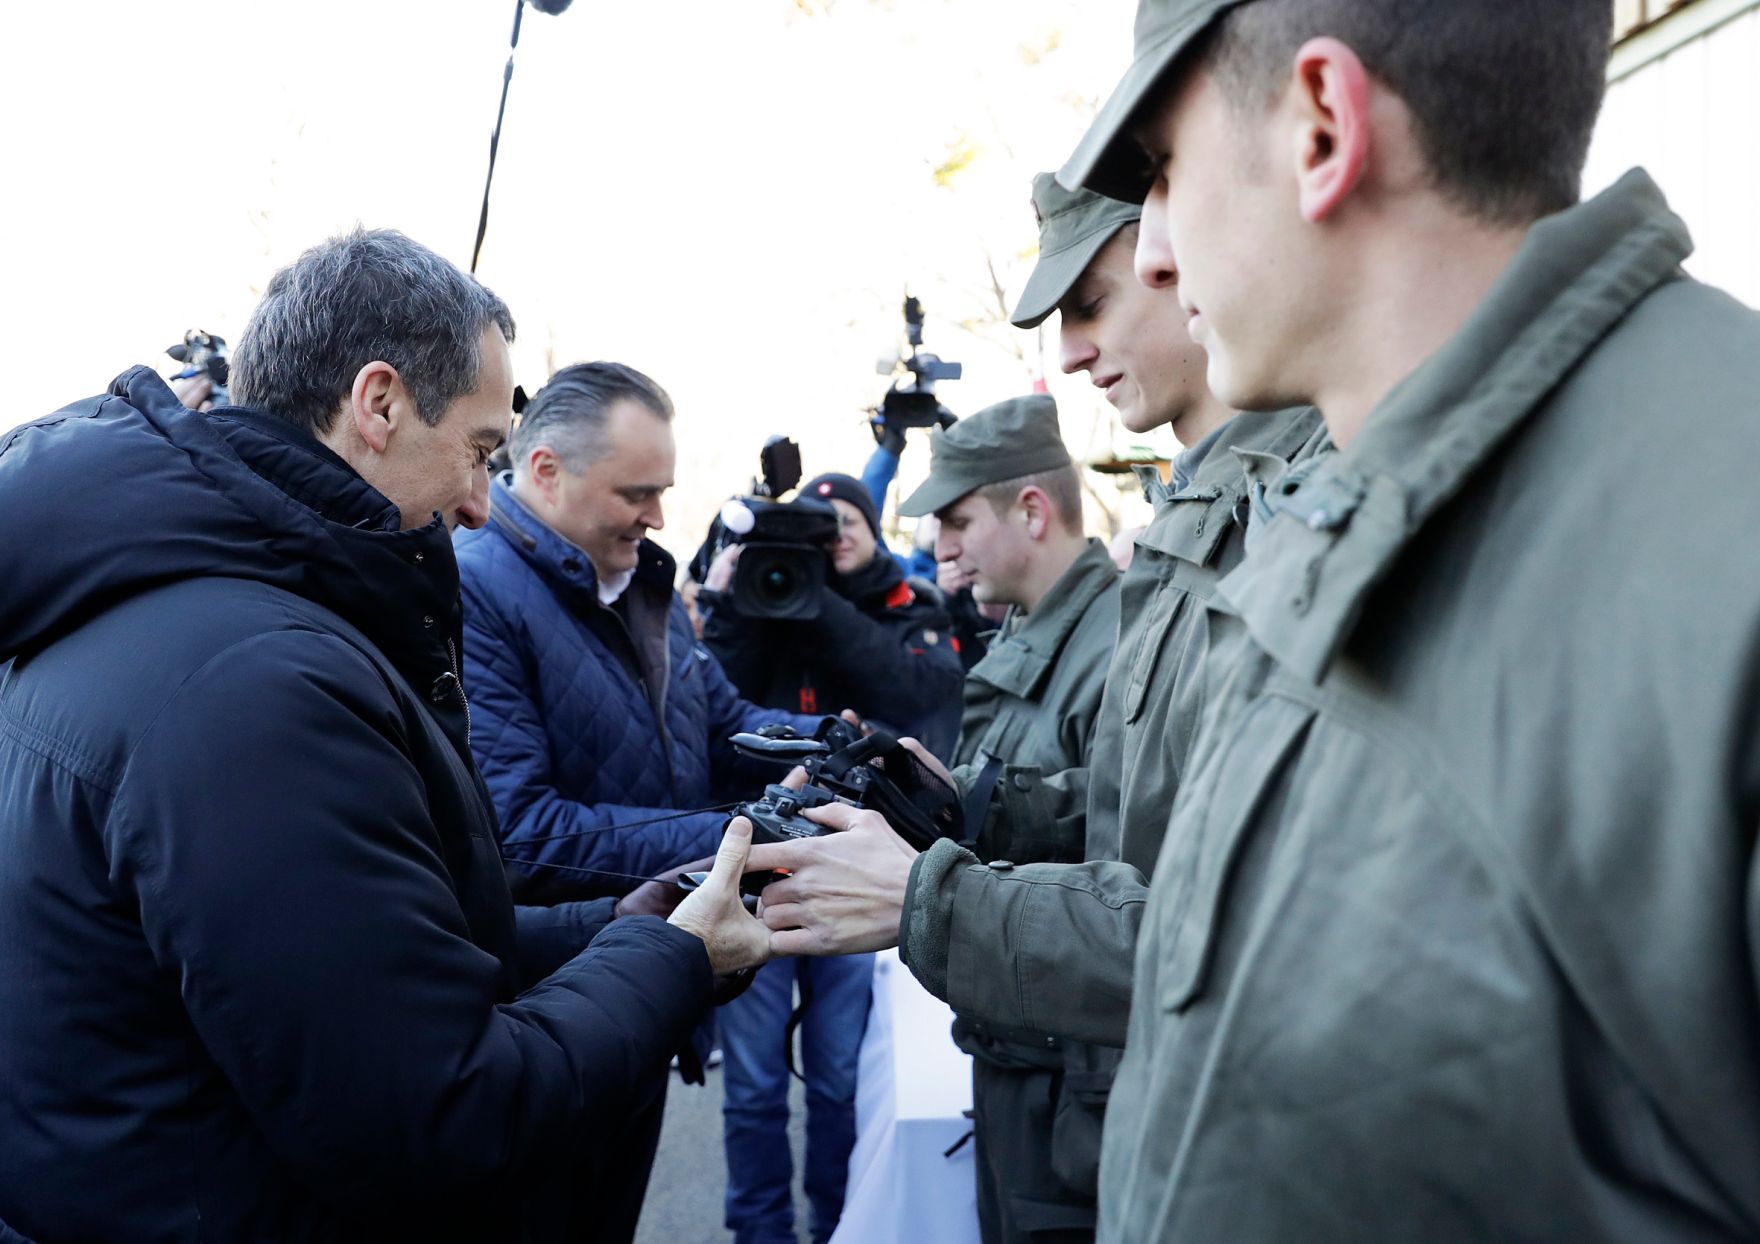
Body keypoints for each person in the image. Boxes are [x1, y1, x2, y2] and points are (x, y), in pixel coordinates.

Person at [769, 0, 1760, 1238]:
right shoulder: (1376, 500)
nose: (1161, 255)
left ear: (1321, 128)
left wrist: (939, 899)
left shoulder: (1697, 530)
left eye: (1167, 175)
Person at [0, 229, 772, 1242]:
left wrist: (612, 927)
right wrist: (674, 960)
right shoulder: (255, 684)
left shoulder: (177, 611)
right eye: (481, 449)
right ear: (378, 403)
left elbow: (359, 954)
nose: (479, 502)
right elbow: (437, 1110)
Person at [745, 169, 1323, 1233]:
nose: (1066, 349)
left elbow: (1259, 927)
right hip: (1121, 1104)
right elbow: (1143, 812)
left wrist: (932, 895)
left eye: (1093, 302)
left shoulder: (1298, 506)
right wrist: (959, 803)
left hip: (1171, 1113)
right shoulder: (1203, 509)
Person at [697, 470, 965, 1244]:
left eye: (848, 519)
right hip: (753, 860)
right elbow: (717, 707)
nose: (834, 535)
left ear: (875, 529)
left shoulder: (904, 604)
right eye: (819, 526)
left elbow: (915, 696)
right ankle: (759, 1232)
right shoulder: (754, 592)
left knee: (840, 1078)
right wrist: (741, 598)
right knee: (750, 1086)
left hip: (855, 863)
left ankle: (839, 1225)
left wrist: (822, 606)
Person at [455, 362, 821, 902]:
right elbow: (520, 834)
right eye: (635, 494)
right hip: (572, 966)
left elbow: (723, 724)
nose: (658, 518)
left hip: (670, 938)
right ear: (547, 470)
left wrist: (832, 748)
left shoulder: (643, 579)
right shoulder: (473, 592)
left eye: (662, 493)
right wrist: (744, 834)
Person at [893, 392, 1121, 1242]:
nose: (941, 548)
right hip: (1027, 1057)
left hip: (1071, 1078)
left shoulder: (1117, 644)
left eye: (957, 520)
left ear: (1031, 510)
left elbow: (1116, 850)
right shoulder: (1041, 629)